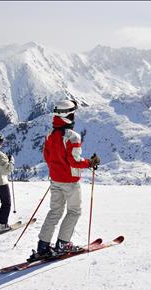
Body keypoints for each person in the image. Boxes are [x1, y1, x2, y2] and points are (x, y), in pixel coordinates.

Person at [32, 100, 100, 258]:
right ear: (68, 115)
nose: (74, 116)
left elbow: (47, 158)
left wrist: (57, 170)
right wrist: (90, 162)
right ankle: (63, 244)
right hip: (70, 181)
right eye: (72, 113)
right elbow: (74, 161)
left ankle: (43, 246)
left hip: (55, 180)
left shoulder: (49, 134)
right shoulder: (72, 137)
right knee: (74, 211)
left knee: (55, 211)